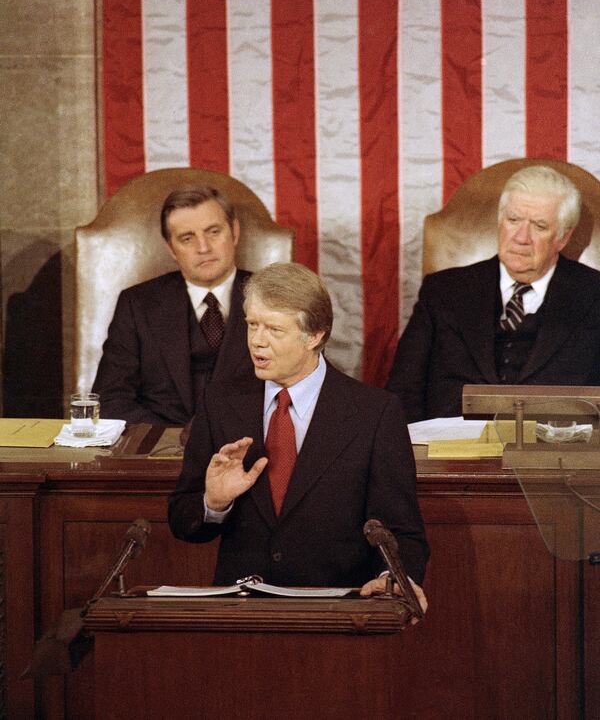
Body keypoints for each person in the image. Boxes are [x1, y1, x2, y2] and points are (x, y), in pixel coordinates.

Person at [168, 262, 429, 609]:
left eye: (274, 329)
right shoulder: (221, 402)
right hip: (240, 615)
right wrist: (213, 503)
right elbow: (183, 521)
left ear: (314, 335)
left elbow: (401, 531)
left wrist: (392, 578)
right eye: (252, 325)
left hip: (338, 615)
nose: (257, 341)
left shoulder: (374, 414)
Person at [386, 164, 600, 422]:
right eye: (513, 220)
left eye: (539, 226)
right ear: (500, 222)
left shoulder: (593, 295)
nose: (522, 237)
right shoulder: (442, 292)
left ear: (563, 238)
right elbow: (403, 391)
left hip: (557, 455)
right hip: (450, 454)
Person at [93, 186, 253, 426]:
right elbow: (111, 399)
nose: (203, 248)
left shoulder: (278, 297)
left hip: (253, 448)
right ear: (171, 248)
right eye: (187, 238)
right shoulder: (137, 305)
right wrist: (173, 441)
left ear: (235, 232)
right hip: (163, 450)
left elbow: (302, 390)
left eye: (213, 232)